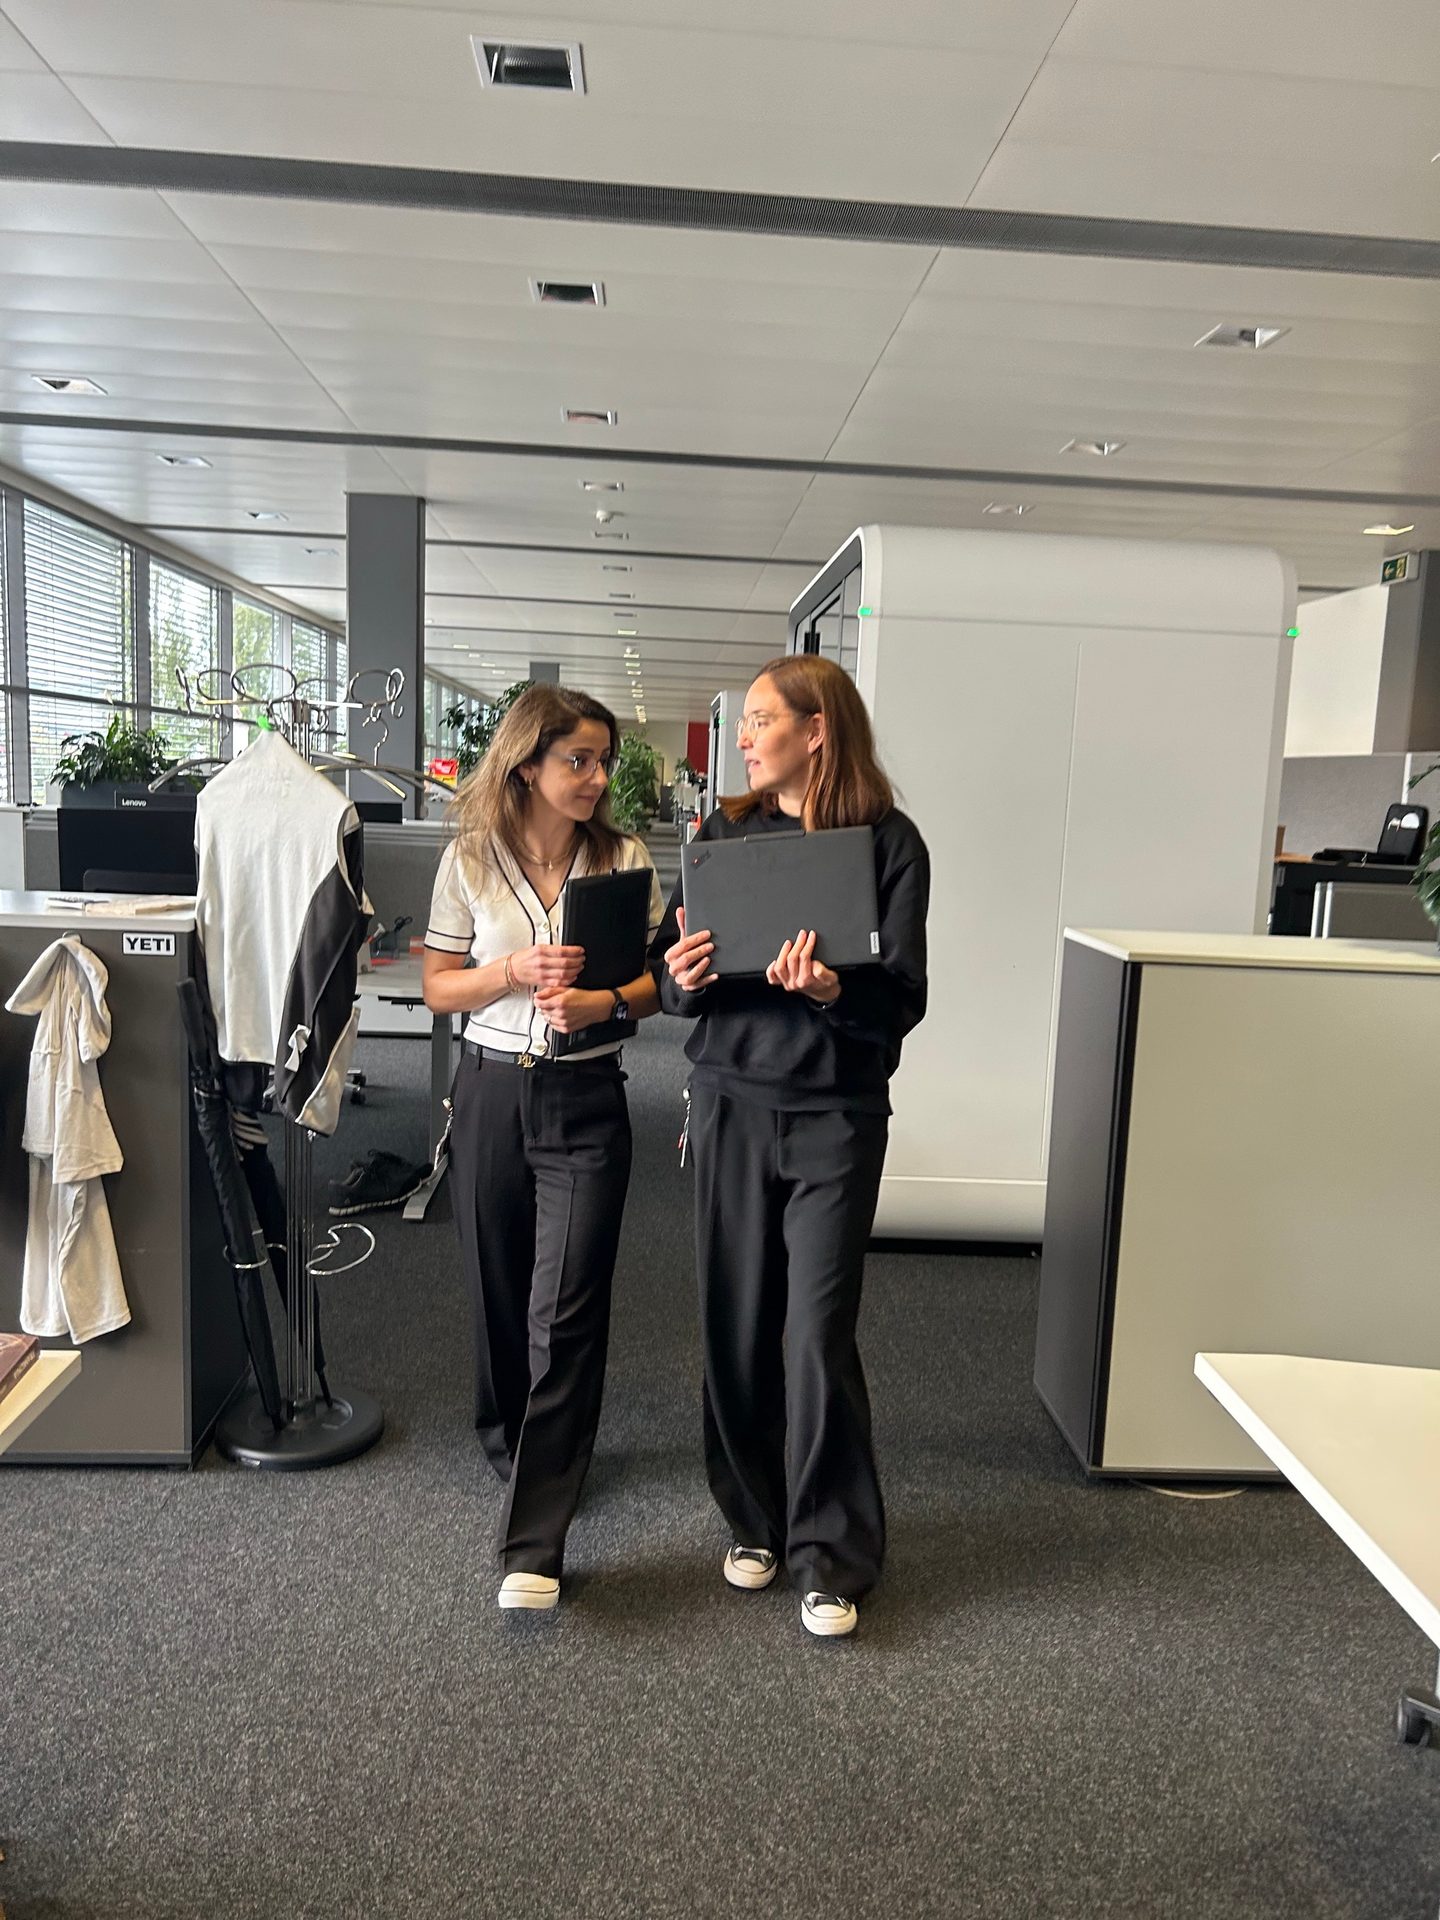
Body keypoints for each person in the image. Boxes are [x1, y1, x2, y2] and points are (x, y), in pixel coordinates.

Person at [657, 654, 929, 1639]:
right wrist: (683, 972)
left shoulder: (890, 844)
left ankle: (833, 1556)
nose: (744, 734)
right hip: (729, 1101)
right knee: (735, 1322)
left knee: (815, 1337)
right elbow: (676, 975)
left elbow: (904, 997)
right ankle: (755, 1521)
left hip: (834, 1117)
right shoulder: (721, 834)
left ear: (818, 730)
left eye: (762, 718)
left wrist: (828, 991)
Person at [424, 685, 663, 1611]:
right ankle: (517, 1448)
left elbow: (657, 986)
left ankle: (537, 1536)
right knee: (496, 1286)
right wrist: (512, 972)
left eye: (603, 762)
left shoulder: (623, 858)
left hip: (588, 1098)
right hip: (489, 1092)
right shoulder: (470, 861)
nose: (597, 778)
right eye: (579, 760)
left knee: (563, 1309)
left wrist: (606, 1001)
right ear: (527, 762)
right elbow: (440, 988)